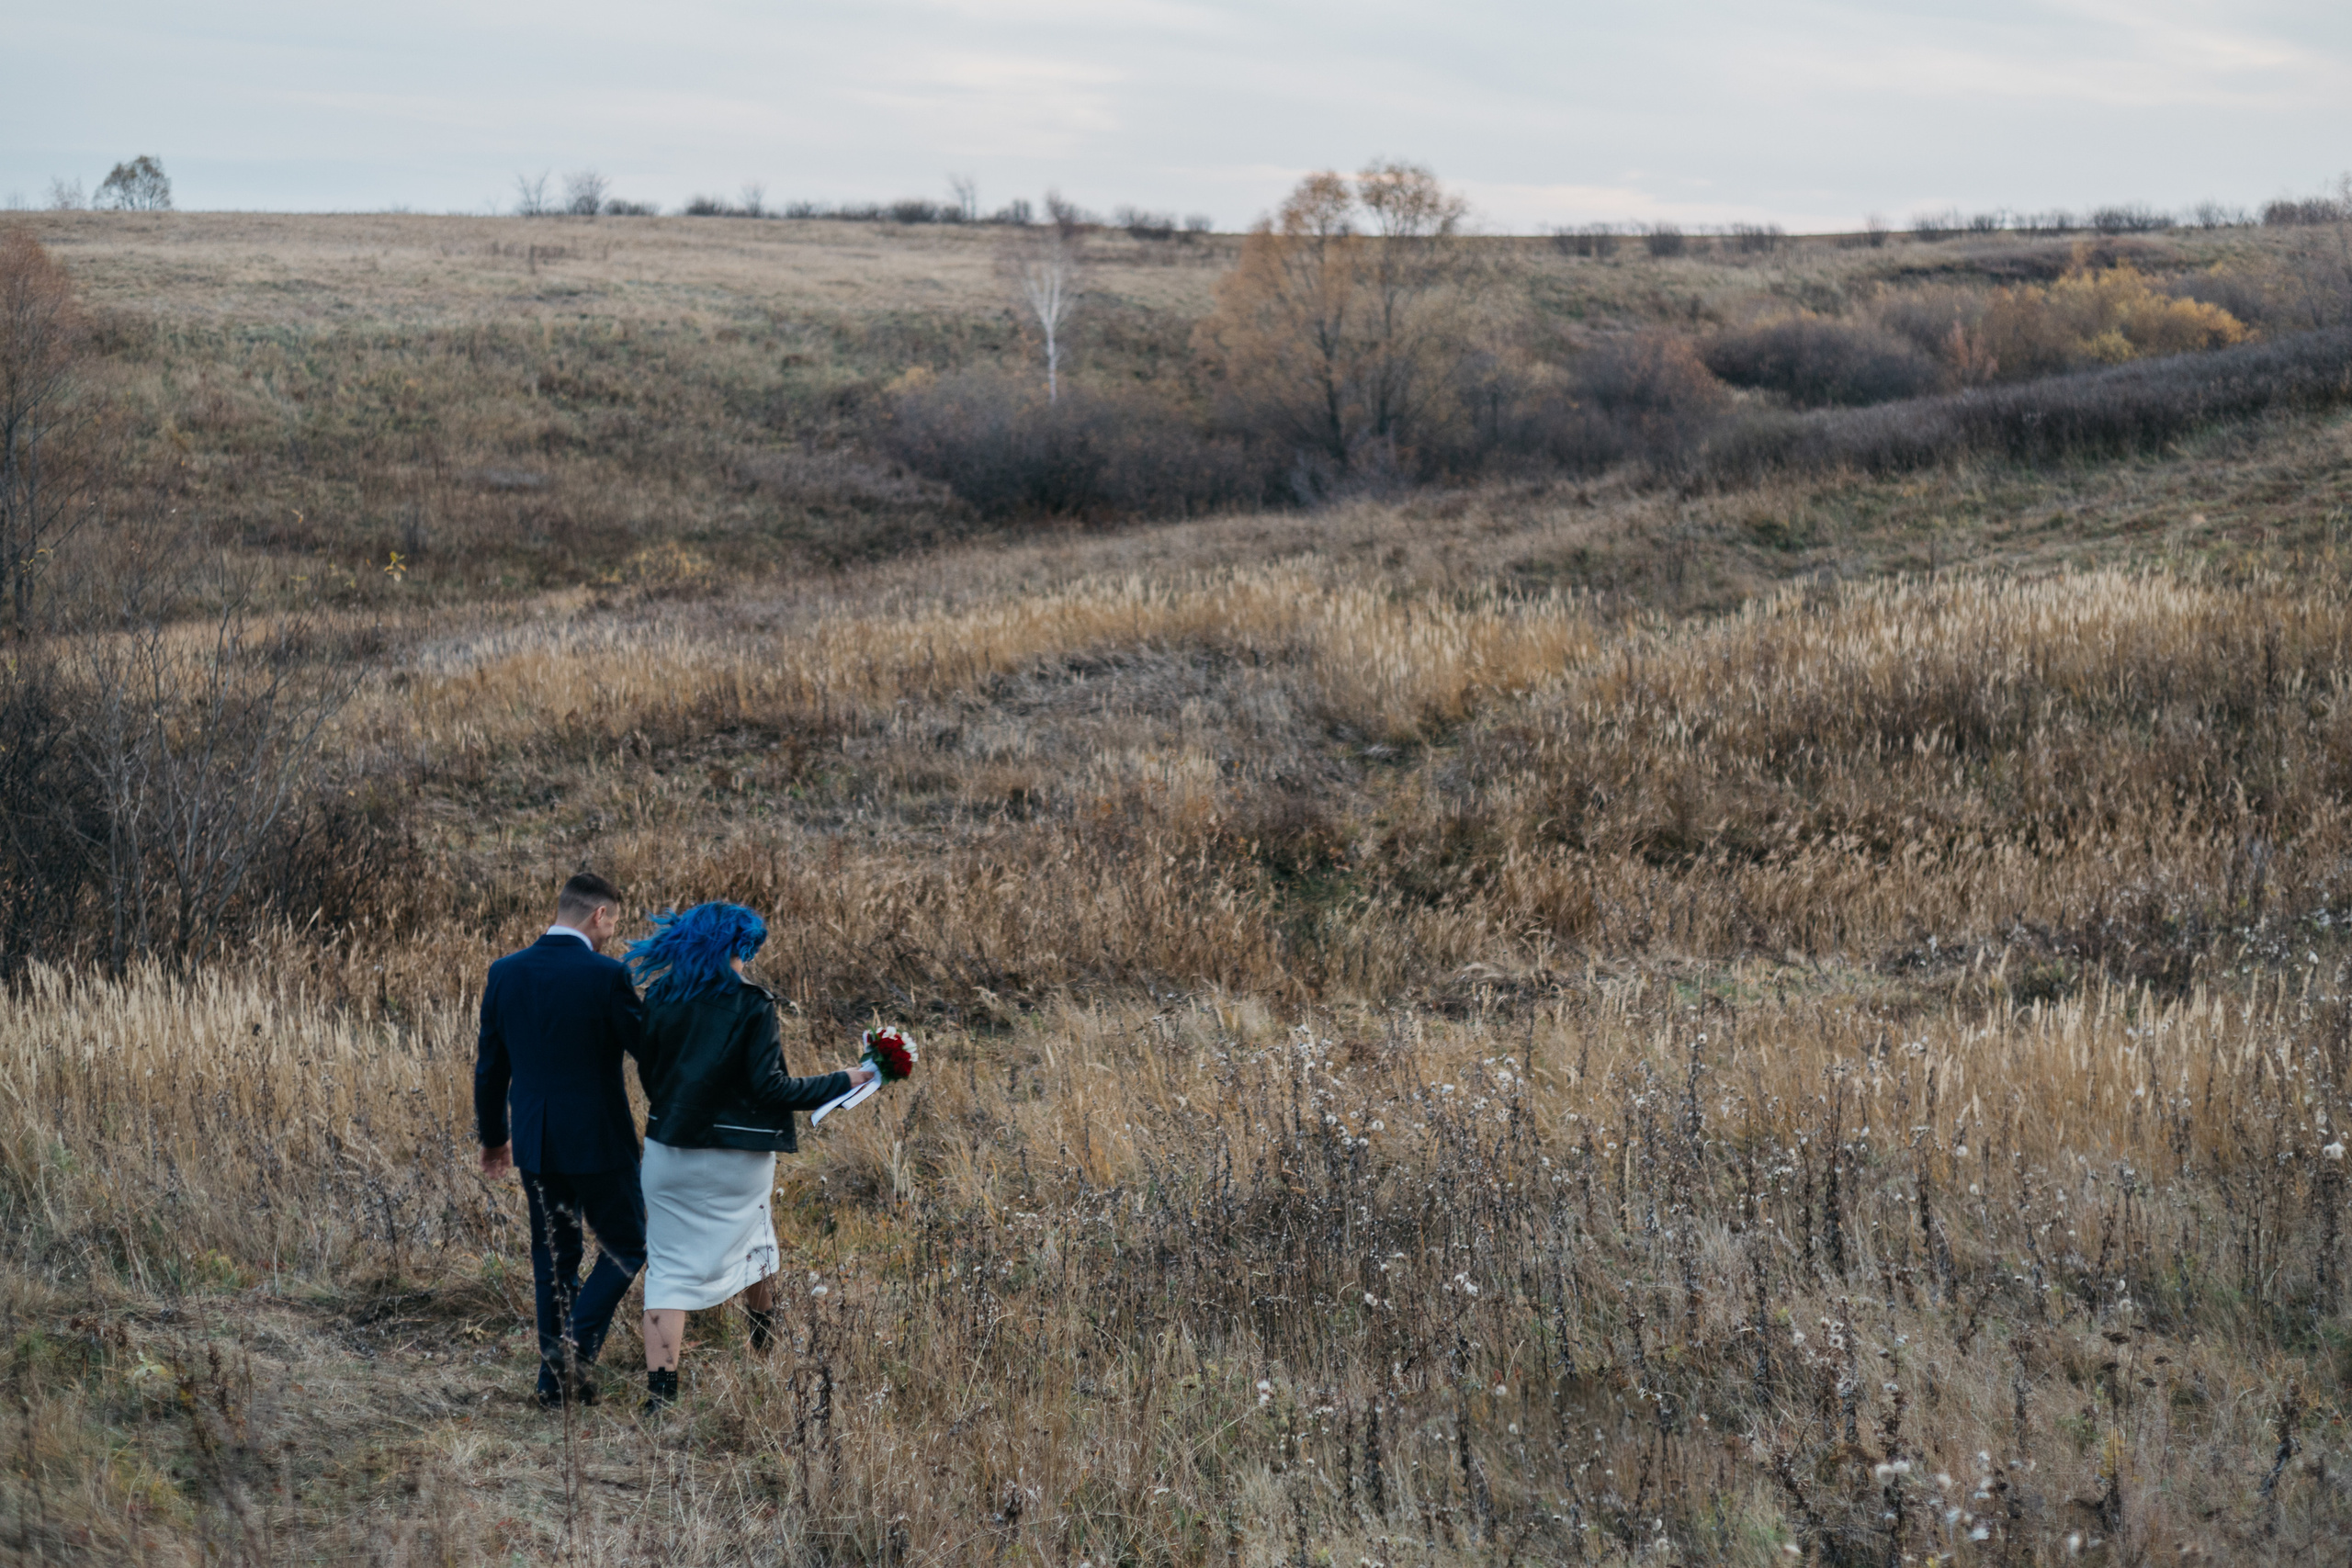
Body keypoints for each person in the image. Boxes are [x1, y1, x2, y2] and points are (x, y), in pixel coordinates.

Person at [626, 902, 875, 1411]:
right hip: (739, 1158)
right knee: (759, 1245)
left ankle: (661, 1397)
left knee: (668, 1268)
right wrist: (847, 1079)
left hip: (669, 1150)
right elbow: (771, 1088)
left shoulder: (660, 997)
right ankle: (765, 1349)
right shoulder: (752, 1003)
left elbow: (650, 1077)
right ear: (738, 947)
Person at [474, 871, 647, 1409]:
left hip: (536, 1141)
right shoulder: (608, 975)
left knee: (554, 1258)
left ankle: (555, 1388)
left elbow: (490, 1067)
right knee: (628, 1245)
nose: (612, 934)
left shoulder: (505, 972)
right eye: (613, 923)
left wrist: (494, 1138)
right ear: (599, 914)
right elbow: (647, 1049)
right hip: (601, 1141)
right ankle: (572, 1350)